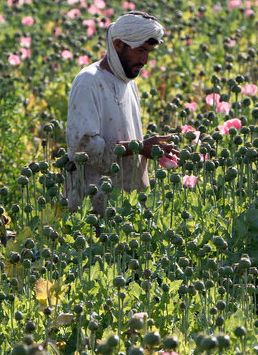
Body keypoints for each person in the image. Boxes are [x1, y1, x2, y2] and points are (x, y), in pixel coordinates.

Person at [65, 11, 176, 214]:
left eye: (149, 52)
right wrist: (139, 148)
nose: (144, 59)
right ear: (118, 45)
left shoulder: (127, 81)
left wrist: (147, 149)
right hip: (93, 209)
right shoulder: (88, 81)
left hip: (128, 206)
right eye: (140, 50)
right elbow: (82, 146)